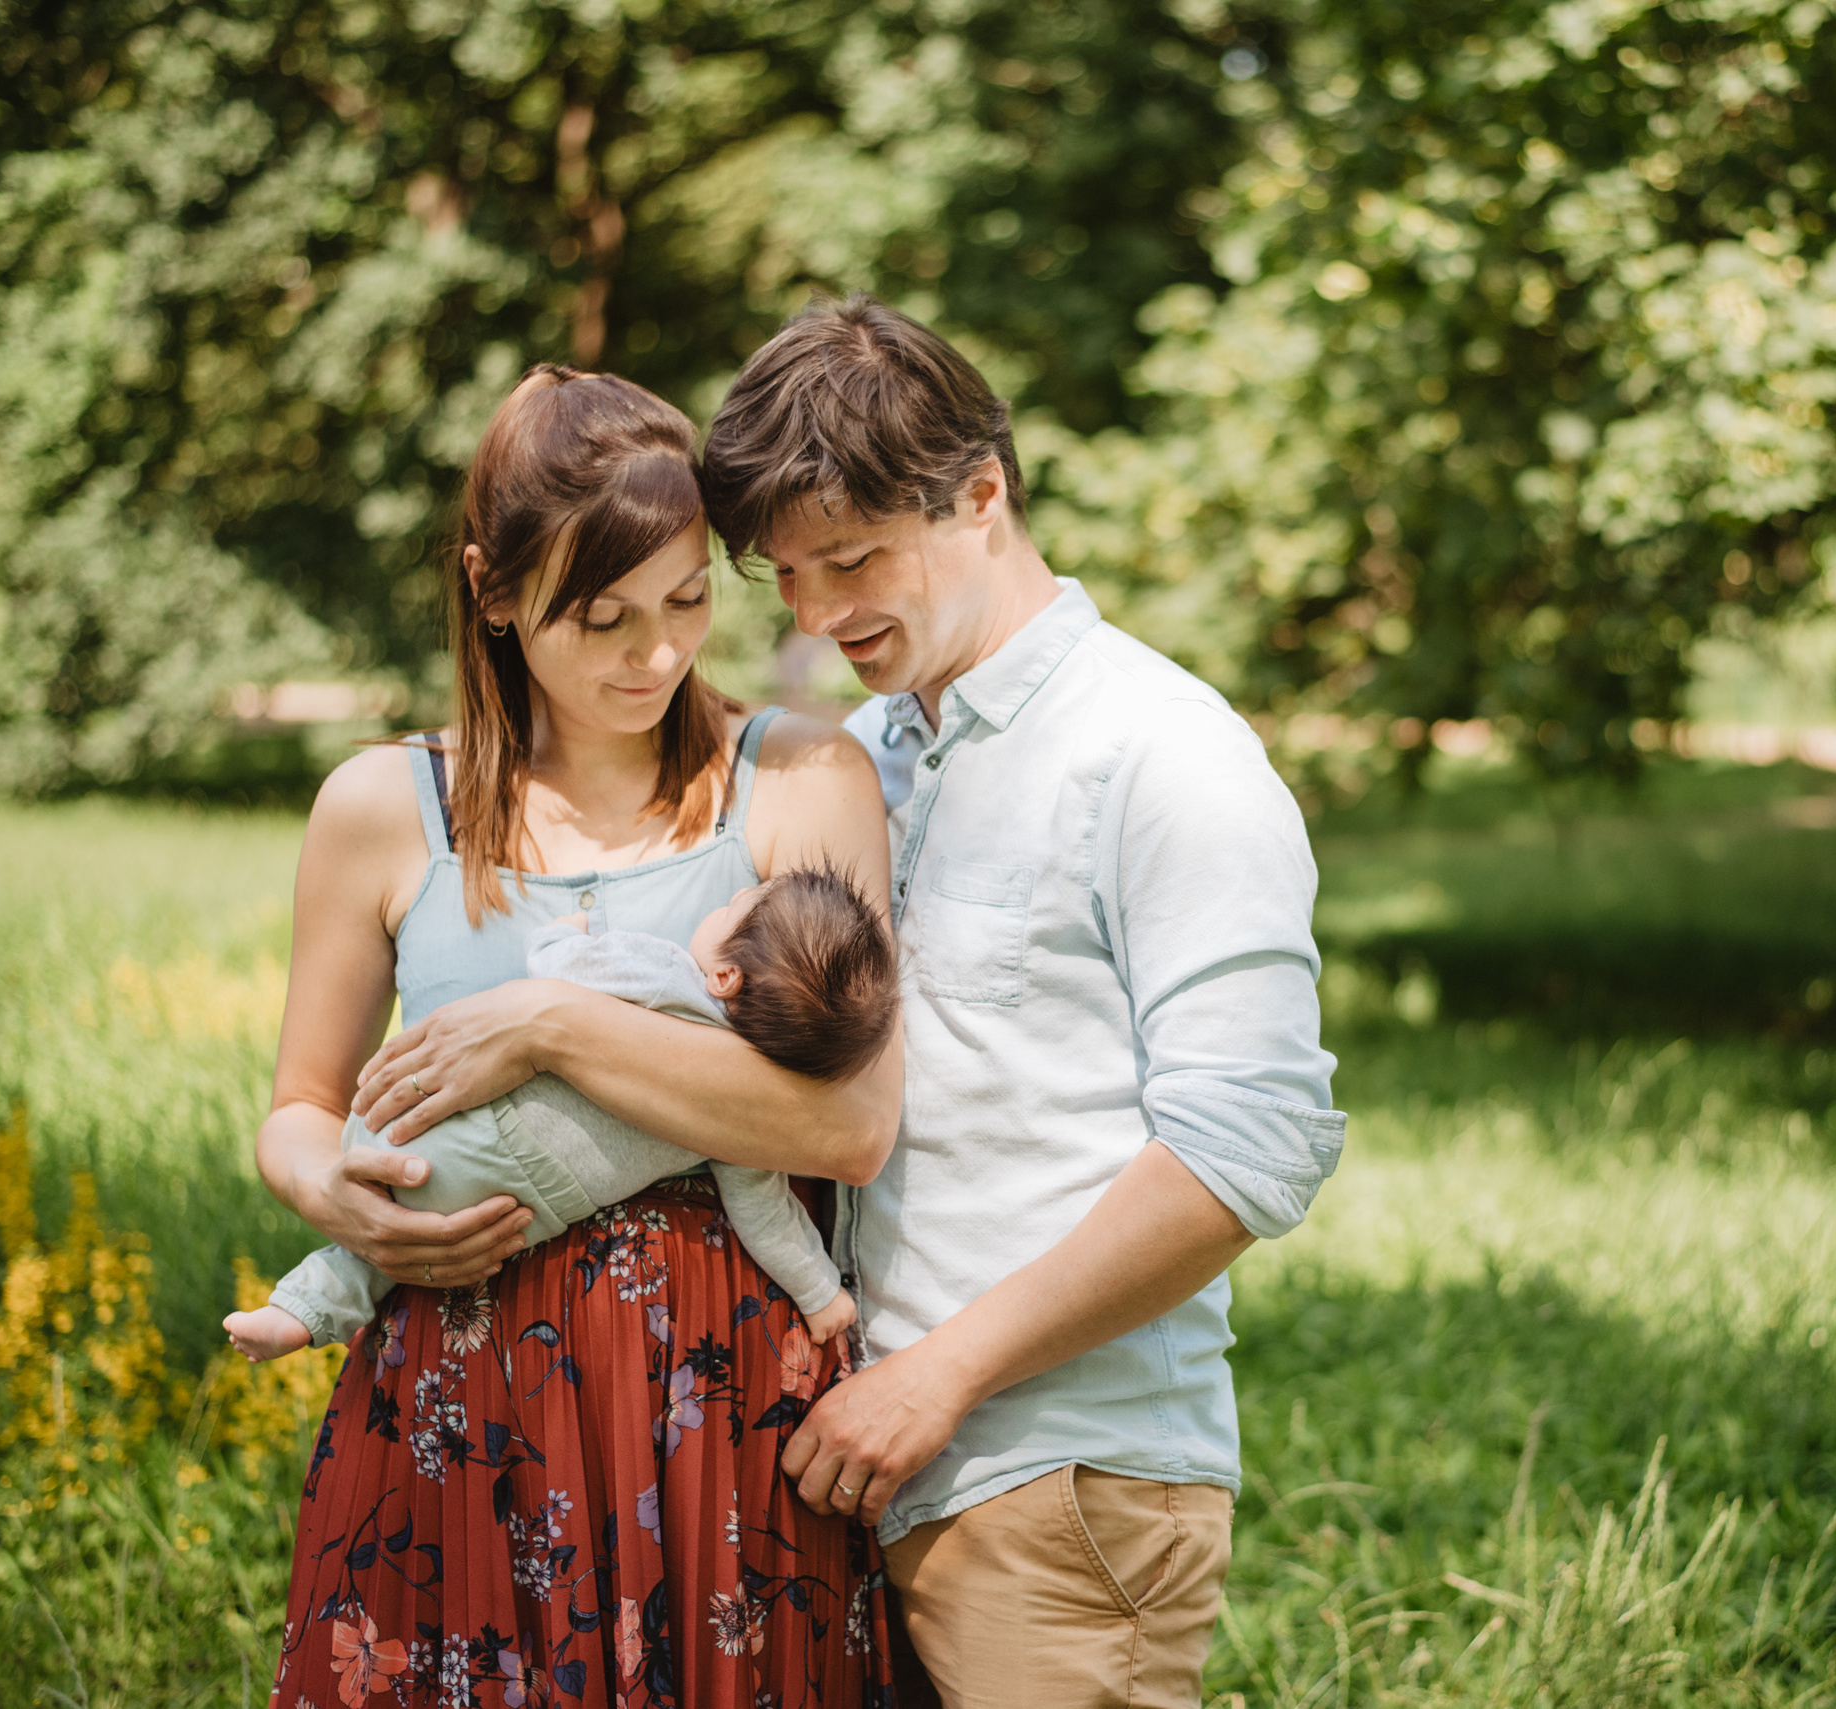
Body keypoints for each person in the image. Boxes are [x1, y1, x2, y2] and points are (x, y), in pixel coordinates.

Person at [701, 293, 1350, 1707]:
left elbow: (1252, 1148)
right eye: (785, 580)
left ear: (981, 492)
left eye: (853, 559)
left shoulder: (1163, 756)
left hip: (1058, 1488)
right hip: (855, 1470)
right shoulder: (866, 754)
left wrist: (938, 1375)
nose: (816, 618)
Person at [254, 364, 896, 1709]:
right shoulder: (383, 808)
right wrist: (341, 1200)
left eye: (683, 602)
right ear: (494, 592)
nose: (655, 656)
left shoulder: (796, 782)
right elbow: (302, 1104)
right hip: (454, 1396)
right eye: (601, 617)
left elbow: (846, 1124)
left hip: (724, 1408)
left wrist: (551, 1028)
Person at [226, 867, 893, 1364]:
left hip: (426, 1132)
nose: (720, 905)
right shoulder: (739, 1117)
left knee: (382, 1237)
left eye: (730, 908)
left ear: (724, 978)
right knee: (393, 1252)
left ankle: (292, 1308)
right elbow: (768, 1216)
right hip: (518, 1208)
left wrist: (561, 931)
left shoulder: (665, 975)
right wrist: (820, 1294)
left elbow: (556, 970)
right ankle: (299, 1315)